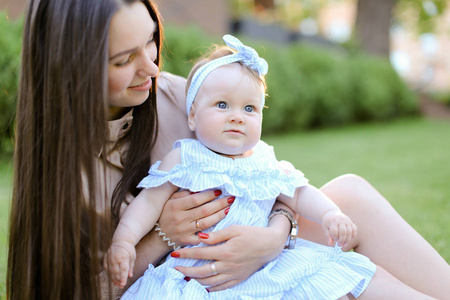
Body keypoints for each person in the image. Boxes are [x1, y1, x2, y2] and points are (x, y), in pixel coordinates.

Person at [7, 0, 449, 299]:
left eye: (151, 43)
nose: (151, 67)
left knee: (346, 196)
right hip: (182, 286)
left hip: (257, 260)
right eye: (124, 60)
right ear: (73, 67)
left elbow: (269, 179)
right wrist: (161, 236)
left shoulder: (179, 98)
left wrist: (274, 237)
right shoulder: (61, 177)